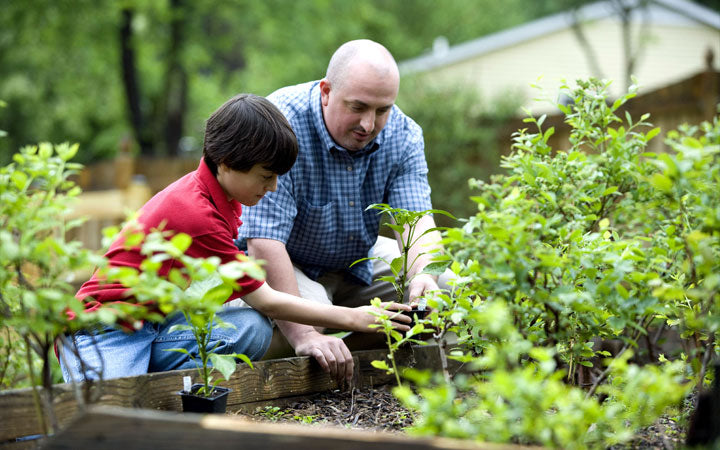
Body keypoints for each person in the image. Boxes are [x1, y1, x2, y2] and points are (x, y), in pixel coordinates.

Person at [59, 93, 411, 383]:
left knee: (250, 330)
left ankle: (153, 381)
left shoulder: (222, 199)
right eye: (266, 176)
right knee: (102, 420)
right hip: (106, 329)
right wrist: (353, 318)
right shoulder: (195, 212)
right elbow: (268, 300)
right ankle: (109, 374)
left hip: (154, 324)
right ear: (226, 162)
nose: (272, 187)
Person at [236, 40, 451, 385]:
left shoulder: (404, 135)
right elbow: (263, 243)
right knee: (307, 317)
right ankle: (307, 357)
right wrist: (305, 335)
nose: (369, 123)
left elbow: (416, 222)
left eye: (382, 110)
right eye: (358, 107)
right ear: (326, 91)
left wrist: (424, 276)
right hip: (287, 259)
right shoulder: (280, 124)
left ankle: (353, 358)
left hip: (356, 260)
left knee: (446, 288)